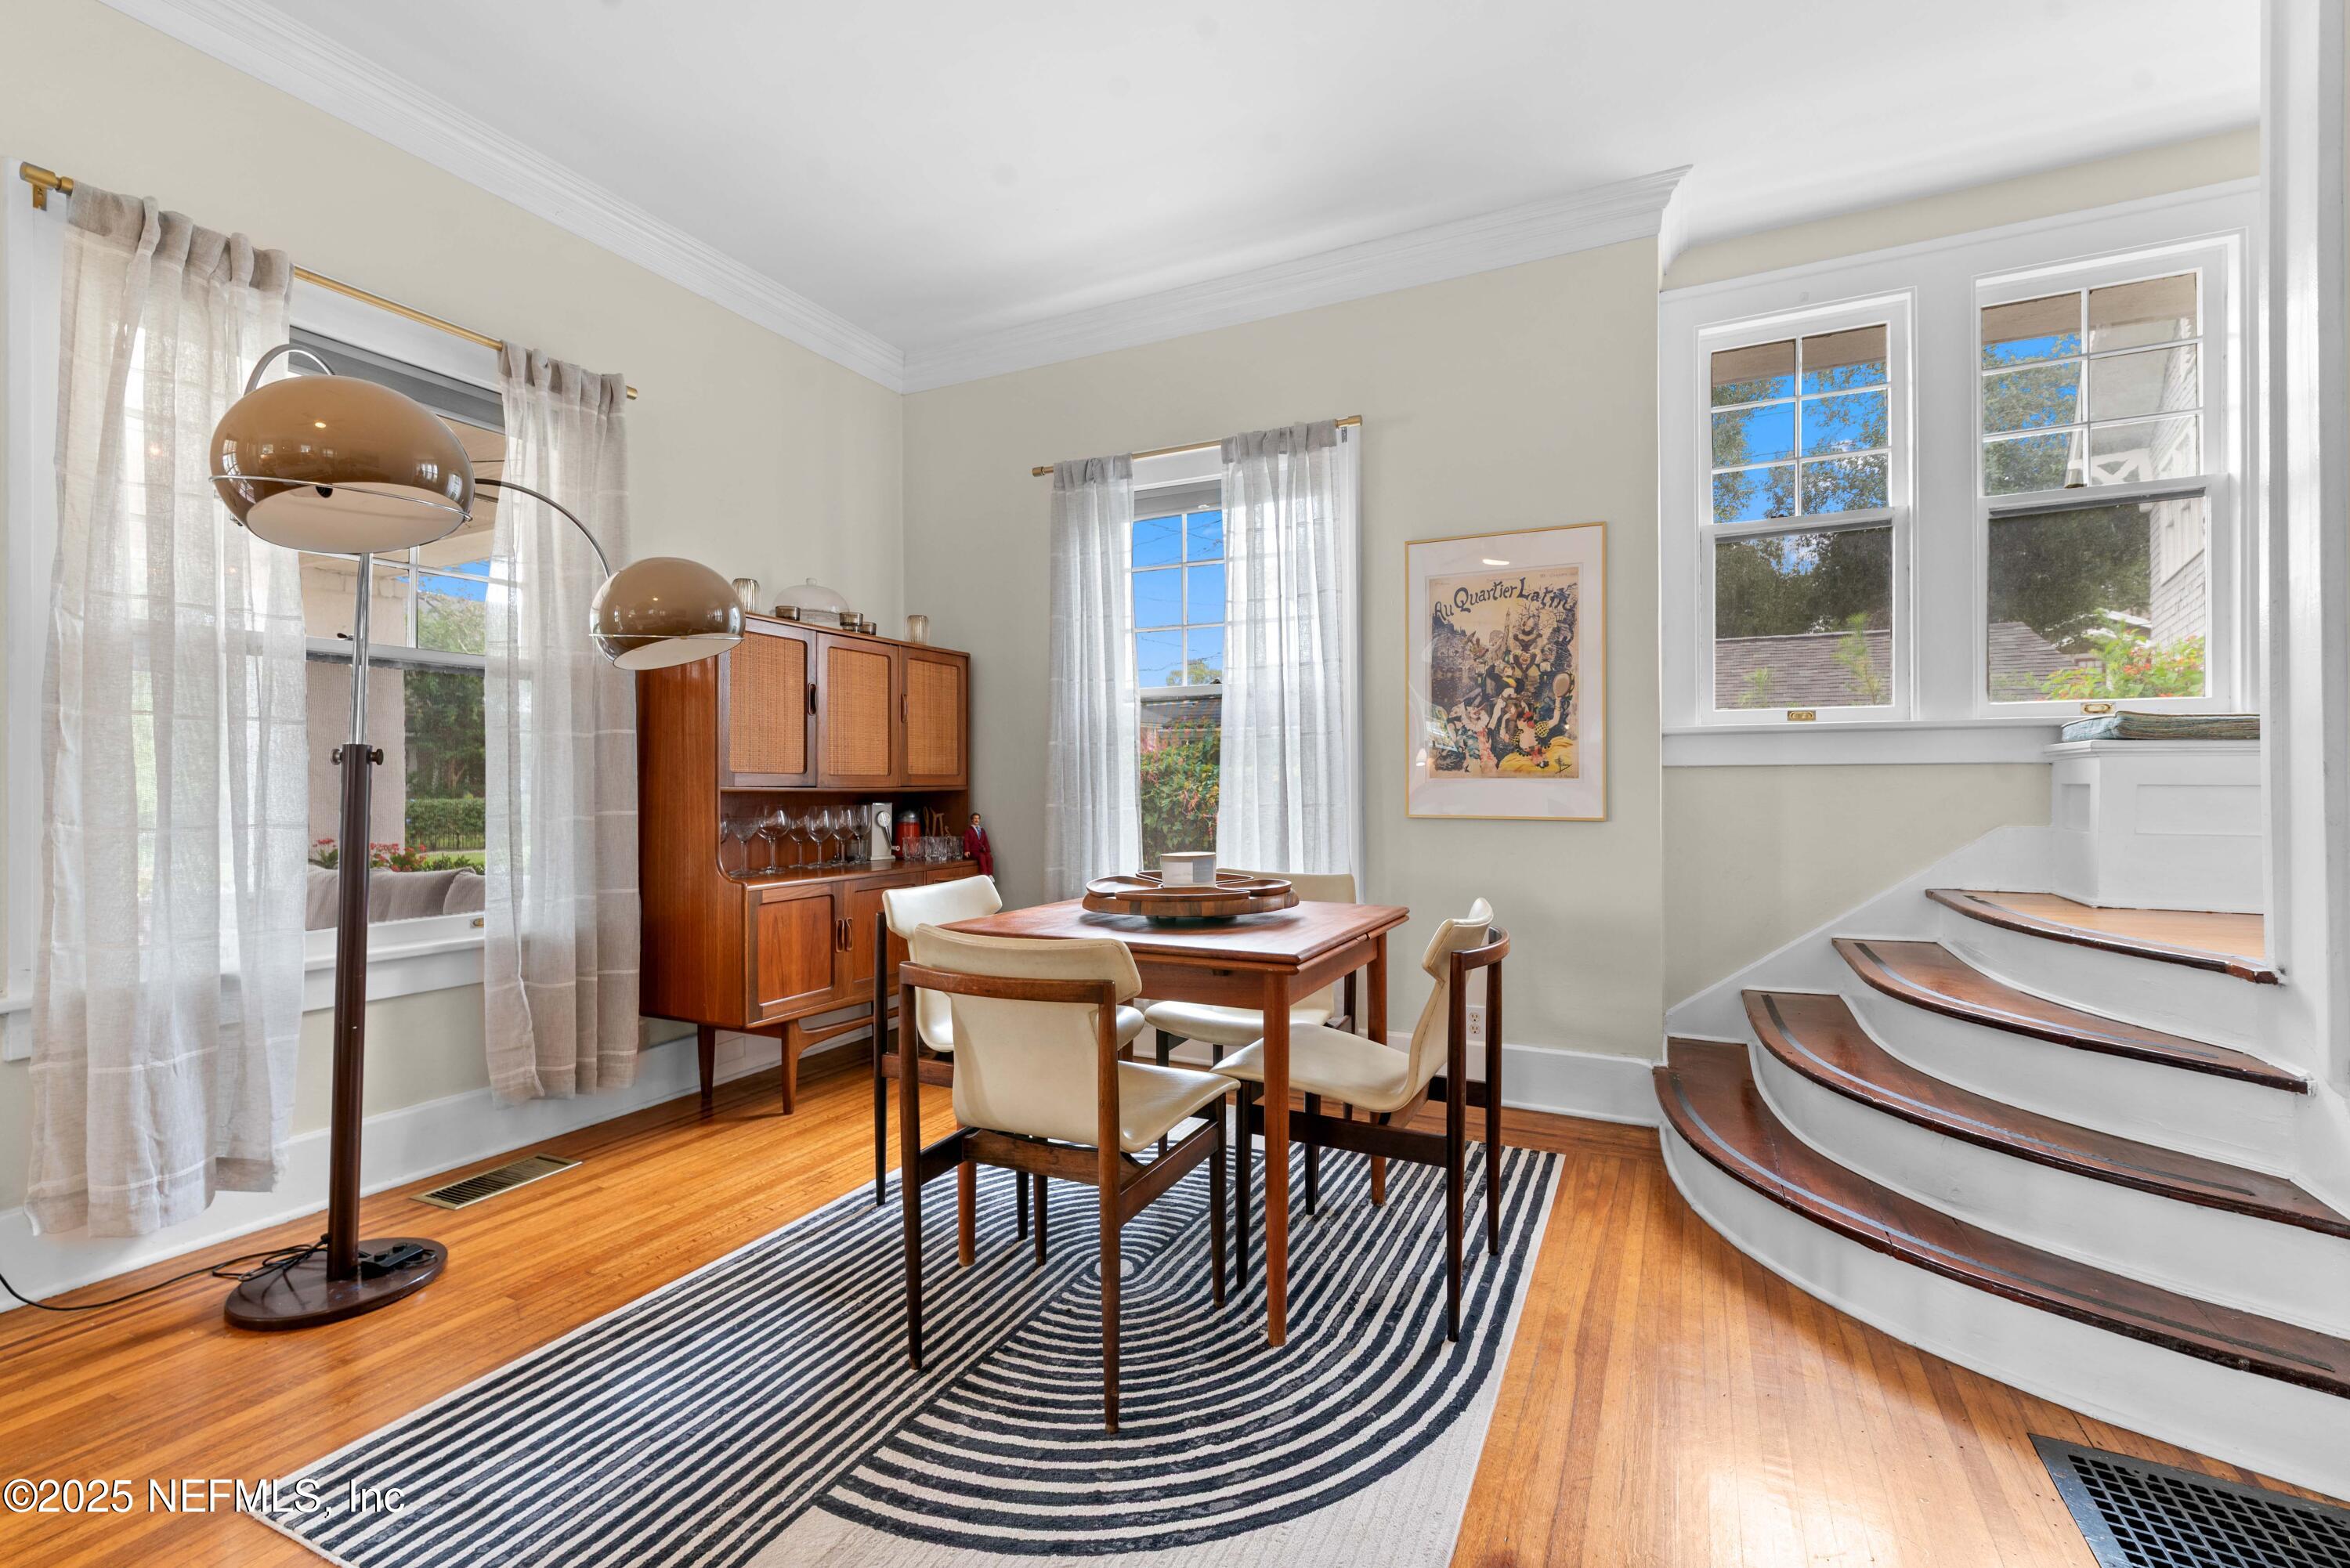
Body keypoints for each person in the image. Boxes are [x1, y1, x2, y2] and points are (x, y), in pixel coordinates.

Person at [963, 811, 994, 877]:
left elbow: (985, 841)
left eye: (978, 818)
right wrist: (967, 850)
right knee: (982, 857)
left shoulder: (982, 830)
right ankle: (985, 875)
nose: (977, 820)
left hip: (981, 850)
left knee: (989, 857)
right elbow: (966, 841)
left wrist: (988, 850)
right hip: (973, 850)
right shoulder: (969, 830)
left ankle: (990, 874)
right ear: (972, 820)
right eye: (975, 818)